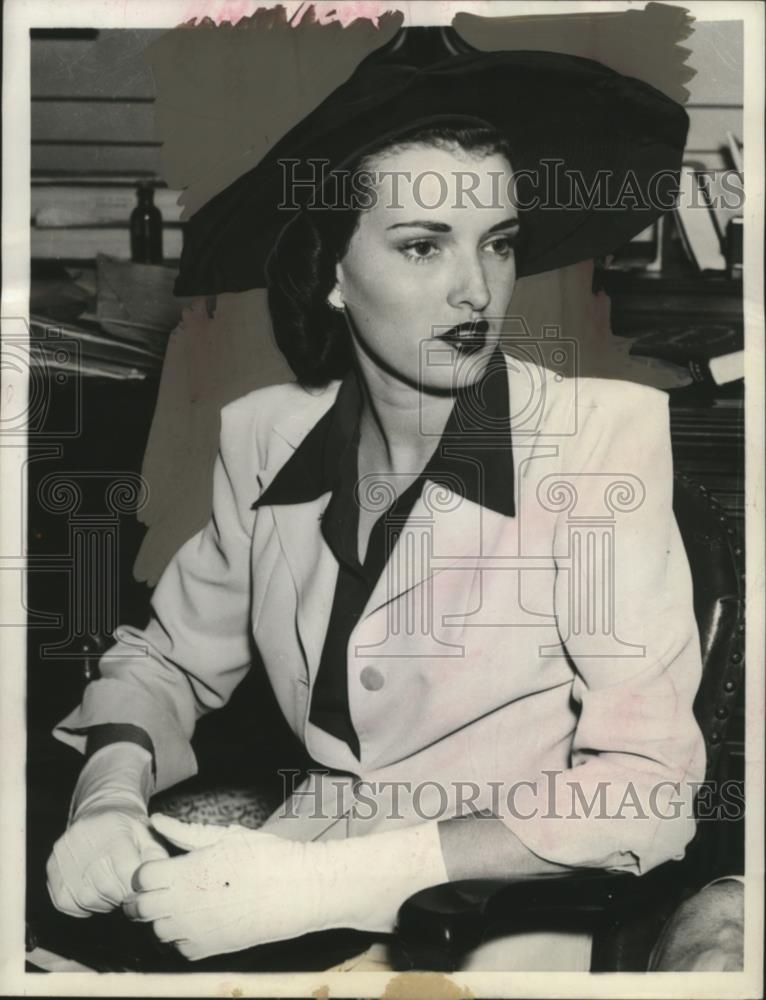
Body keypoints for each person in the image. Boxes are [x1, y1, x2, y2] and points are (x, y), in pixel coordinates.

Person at [45, 34, 706, 971]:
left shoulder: (600, 445)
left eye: (499, 244)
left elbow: (648, 788)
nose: (475, 289)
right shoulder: (266, 437)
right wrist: (109, 793)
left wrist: (328, 887)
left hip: (494, 921)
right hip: (274, 883)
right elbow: (166, 664)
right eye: (423, 245)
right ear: (331, 273)